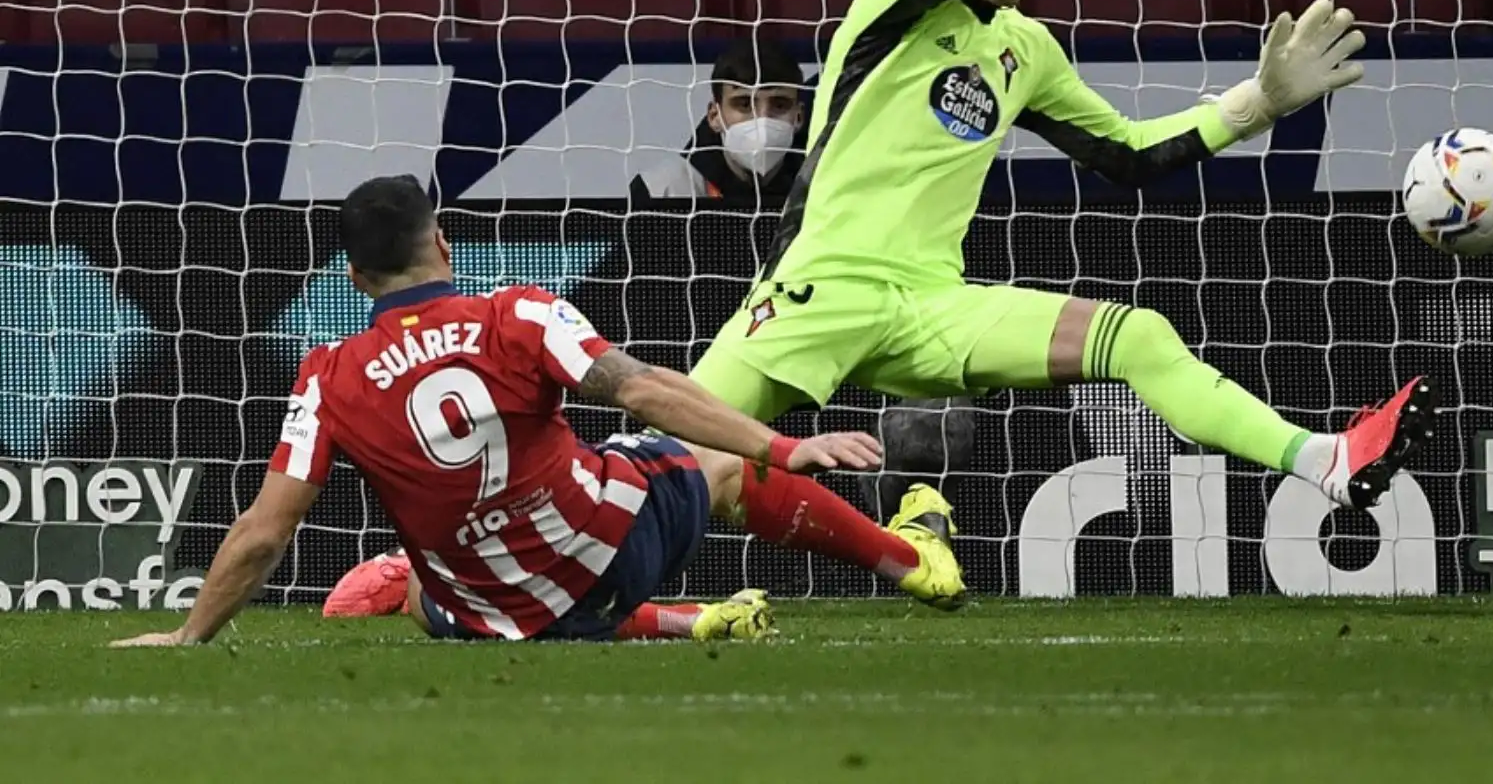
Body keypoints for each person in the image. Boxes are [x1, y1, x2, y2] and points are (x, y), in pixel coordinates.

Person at [684, 0, 1440, 602]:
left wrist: (1256, 104)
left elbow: (1129, 155)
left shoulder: (1026, 50)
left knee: (1138, 335)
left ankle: (1327, 460)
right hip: (818, 291)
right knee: (672, 459)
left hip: (928, 307)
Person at [111, 175, 959, 648]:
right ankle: (909, 561)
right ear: (444, 243)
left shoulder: (326, 375)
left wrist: (188, 635)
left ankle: (670, 623)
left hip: (481, 618)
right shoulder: (516, 313)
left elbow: (265, 529)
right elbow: (644, 388)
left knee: (416, 585)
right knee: (719, 464)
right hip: (614, 551)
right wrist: (780, 442)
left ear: (353, 279)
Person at [630, 38, 807, 204]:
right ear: (714, 116)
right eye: (744, 105)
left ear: (798, 117)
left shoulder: (820, 186)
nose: (762, 119)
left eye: (779, 105)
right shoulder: (661, 190)